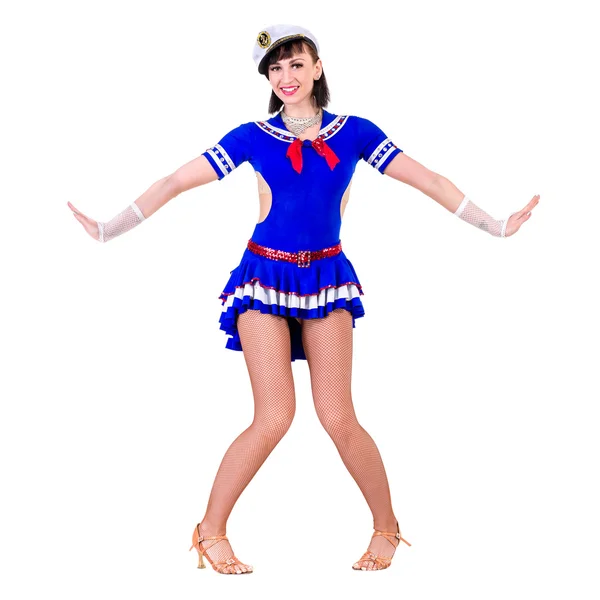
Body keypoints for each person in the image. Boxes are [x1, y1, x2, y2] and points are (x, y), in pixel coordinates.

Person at [67, 24, 540, 575]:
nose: (285, 77)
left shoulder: (355, 132)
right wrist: (108, 228)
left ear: (317, 67)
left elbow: (430, 181)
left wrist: (497, 224)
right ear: (267, 78)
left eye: (295, 64)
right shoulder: (252, 136)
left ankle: (386, 527)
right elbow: (174, 181)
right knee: (274, 416)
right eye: (274, 68)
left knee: (338, 415)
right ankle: (209, 531)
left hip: (327, 280)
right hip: (263, 281)